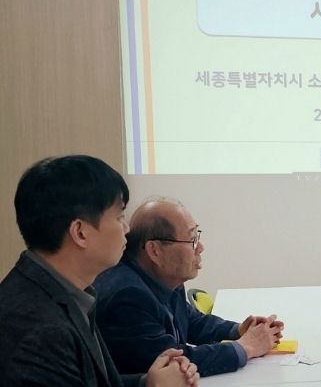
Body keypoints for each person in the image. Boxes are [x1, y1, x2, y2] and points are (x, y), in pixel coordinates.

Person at [0, 155, 198, 387]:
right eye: (119, 217)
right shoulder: (39, 332)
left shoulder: (66, 293)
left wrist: (146, 382)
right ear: (80, 233)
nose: (126, 229)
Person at [95, 198, 284, 377]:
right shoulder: (127, 297)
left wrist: (236, 330)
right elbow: (174, 363)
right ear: (155, 251)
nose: (200, 247)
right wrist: (246, 347)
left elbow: (191, 321)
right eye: (192, 239)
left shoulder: (164, 276)